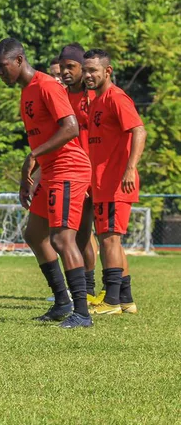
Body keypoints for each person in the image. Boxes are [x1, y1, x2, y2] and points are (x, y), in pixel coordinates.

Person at [0, 37, 92, 329]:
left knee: (62, 239)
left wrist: (33, 155)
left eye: (2, 67)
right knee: (35, 234)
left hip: (69, 169)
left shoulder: (47, 85)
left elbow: (71, 128)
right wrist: (31, 179)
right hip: (49, 172)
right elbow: (42, 139)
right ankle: (62, 303)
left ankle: (82, 313)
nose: (0, 73)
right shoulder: (26, 93)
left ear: (19, 60)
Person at [83, 49, 145, 315]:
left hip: (116, 183)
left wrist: (131, 168)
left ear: (107, 71)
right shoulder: (96, 101)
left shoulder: (116, 98)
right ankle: (126, 299)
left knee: (108, 240)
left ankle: (112, 301)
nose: (87, 75)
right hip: (102, 183)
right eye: (85, 70)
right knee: (113, 241)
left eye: (93, 71)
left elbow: (139, 130)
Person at [57, 44, 99, 301]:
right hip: (71, 171)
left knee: (91, 236)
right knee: (77, 234)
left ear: (82, 69)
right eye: (62, 67)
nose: (64, 72)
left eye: (70, 67)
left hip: (93, 173)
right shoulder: (60, 96)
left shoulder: (94, 98)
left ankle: (93, 289)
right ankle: (83, 289)